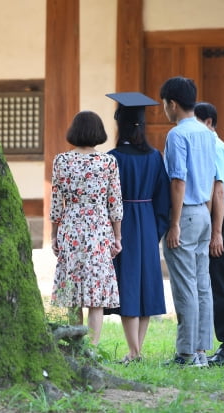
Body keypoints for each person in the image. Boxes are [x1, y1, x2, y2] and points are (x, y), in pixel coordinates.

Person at [105, 92, 171, 364]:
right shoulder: (155, 157)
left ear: (120, 126)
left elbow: (107, 198)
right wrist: (156, 229)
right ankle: (136, 350)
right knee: (144, 286)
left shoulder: (113, 157)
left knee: (128, 286)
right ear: (142, 126)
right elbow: (164, 198)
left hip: (123, 223)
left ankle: (134, 352)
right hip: (147, 221)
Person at [50, 110, 123, 346]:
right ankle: (92, 348)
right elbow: (115, 203)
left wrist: (54, 235)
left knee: (71, 291)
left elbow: (56, 203)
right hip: (99, 230)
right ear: (98, 133)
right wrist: (117, 237)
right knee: (96, 294)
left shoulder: (61, 161)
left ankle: (74, 347)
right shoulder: (108, 162)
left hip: (70, 227)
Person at [159, 76, 216, 367]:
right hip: (204, 212)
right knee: (202, 284)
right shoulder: (208, 133)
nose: (164, 111)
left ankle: (185, 353)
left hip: (186, 213)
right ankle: (202, 352)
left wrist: (175, 223)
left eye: (164, 105)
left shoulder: (177, 135)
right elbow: (212, 177)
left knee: (185, 286)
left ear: (172, 103)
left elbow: (178, 180)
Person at [194, 102, 224, 366]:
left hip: (221, 218)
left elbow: (219, 191)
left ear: (209, 122)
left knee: (222, 283)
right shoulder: (217, 145)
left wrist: (216, 233)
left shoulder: (213, 147)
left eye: (197, 121)